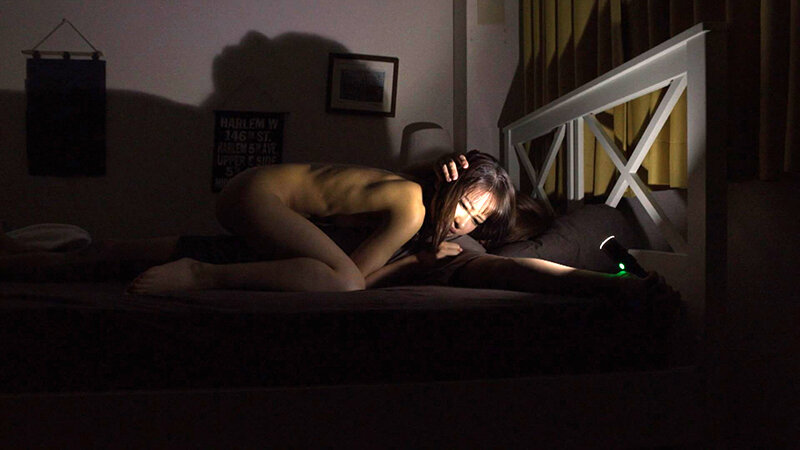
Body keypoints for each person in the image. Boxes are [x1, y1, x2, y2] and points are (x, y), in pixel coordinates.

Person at [0, 151, 671, 302]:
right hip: (258, 196)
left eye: (478, 219)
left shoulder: (417, 191)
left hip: (256, 197)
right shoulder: (415, 207)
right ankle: (199, 276)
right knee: (342, 284)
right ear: (454, 182)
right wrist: (415, 263)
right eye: (467, 204)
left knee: (113, 255)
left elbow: (520, 260)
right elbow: (360, 278)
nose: (465, 221)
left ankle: (39, 256)